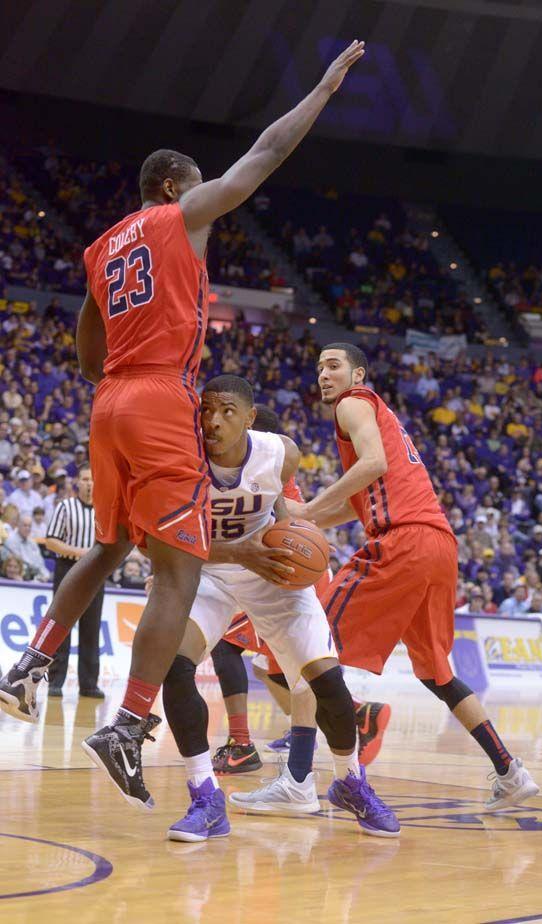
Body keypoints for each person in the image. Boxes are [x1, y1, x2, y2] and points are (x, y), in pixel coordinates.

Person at [0, 40, 367, 813]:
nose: (207, 200)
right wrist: (325, 91)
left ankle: (31, 663)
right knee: (178, 573)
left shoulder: (102, 249)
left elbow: (86, 349)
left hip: (108, 405)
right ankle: (129, 722)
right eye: (195, 186)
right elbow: (260, 157)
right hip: (163, 395)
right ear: (170, 186)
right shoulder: (176, 212)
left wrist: (122, 388)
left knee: (109, 546)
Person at [288, 342, 539, 810]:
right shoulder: (379, 415)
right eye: (319, 367)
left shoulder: (352, 405)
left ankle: (301, 776)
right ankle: (510, 771)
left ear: (358, 375)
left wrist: (304, 508)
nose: (324, 374)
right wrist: (309, 519)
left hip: (401, 541)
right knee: (438, 673)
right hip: (438, 544)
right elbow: (359, 498)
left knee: (309, 644)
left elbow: (373, 465)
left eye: (334, 366)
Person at [162, 375, 399, 841]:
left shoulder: (280, 453)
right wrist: (233, 553)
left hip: (269, 571)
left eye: (227, 411)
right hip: (211, 570)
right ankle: (205, 798)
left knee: (327, 680)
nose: (213, 420)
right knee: (176, 664)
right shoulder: (181, 458)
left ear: (250, 418)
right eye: (207, 410)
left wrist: (295, 548)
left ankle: (350, 780)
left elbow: (282, 512)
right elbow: (167, 538)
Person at [207, 404, 390, 776]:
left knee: (229, 647)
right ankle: (333, 722)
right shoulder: (260, 475)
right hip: (279, 567)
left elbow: (287, 518)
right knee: (274, 671)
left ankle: (244, 745)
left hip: (281, 571)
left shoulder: (264, 473)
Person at [44, 466, 104, 697]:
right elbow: (51, 541)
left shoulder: (104, 509)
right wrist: (82, 553)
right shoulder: (65, 507)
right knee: (61, 626)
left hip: (96, 573)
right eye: (85, 479)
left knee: (91, 629)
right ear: (77, 482)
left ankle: (89, 684)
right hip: (68, 569)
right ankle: (55, 682)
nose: (89, 483)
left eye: (93, 479)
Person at [4, 514, 50, 582]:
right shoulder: (10, 540)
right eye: (25, 525)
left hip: (36, 577)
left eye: (29, 526)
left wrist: (46, 575)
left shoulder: (33, 543)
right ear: (18, 526)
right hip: (21, 576)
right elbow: (22, 562)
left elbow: (40, 563)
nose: (27, 528)